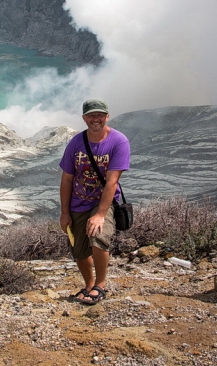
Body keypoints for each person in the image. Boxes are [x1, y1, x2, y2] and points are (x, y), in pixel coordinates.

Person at [59, 99, 130, 305]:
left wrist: (99, 215)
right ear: (84, 118)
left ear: (107, 116)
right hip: (77, 202)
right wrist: (64, 212)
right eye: (91, 115)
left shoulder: (119, 141)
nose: (95, 119)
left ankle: (101, 285)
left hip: (102, 202)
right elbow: (67, 178)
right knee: (78, 249)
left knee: (99, 236)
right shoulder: (76, 142)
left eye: (99, 115)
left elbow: (112, 181)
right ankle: (89, 285)